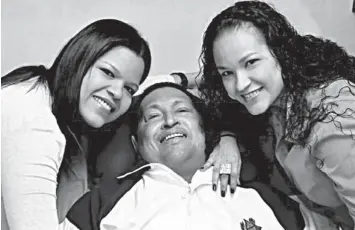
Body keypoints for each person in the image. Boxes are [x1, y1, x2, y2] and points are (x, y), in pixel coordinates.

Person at [198, 1, 355, 229]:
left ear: (280, 53)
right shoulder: (281, 95)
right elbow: (208, 85)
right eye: (227, 73)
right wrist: (227, 137)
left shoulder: (333, 122)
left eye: (251, 62)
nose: (241, 84)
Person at [60, 82, 285, 230]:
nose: (169, 121)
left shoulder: (264, 197)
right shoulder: (100, 204)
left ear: (203, 131)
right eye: (153, 115)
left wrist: (228, 137)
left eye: (182, 110)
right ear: (136, 144)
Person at [1, 18, 151, 230]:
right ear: (78, 59)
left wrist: (182, 79)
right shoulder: (36, 126)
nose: (117, 93)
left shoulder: (34, 85)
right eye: (108, 73)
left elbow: (149, 88)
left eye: (129, 89)